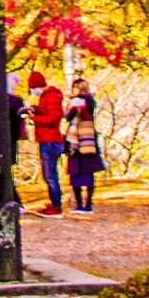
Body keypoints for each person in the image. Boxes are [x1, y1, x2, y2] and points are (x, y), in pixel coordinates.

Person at [27, 69, 65, 214]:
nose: (32, 91)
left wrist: (34, 118)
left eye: (32, 88)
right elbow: (49, 113)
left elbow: (53, 118)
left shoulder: (50, 97)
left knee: (50, 175)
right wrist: (36, 110)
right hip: (48, 139)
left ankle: (56, 206)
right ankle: (54, 203)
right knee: (50, 174)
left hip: (50, 140)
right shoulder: (48, 97)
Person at [65, 76, 105, 214]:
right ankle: (80, 204)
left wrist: (77, 102)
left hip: (86, 141)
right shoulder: (75, 102)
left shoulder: (88, 101)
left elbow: (85, 108)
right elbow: (68, 116)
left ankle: (87, 204)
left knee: (87, 174)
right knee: (76, 174)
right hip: (76, 142)